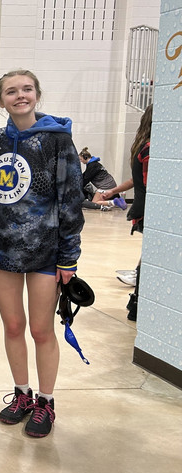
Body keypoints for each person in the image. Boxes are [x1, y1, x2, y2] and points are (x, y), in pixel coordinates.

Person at [0, 69, 84, 438]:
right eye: (11, 91)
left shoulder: (57, 141)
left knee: (42, 330)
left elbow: (71, 199)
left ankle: (46, 401)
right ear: (1, 100)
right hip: (1, 252)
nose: (20, 96)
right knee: (13, 326)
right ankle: (22, 394)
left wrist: (69, 257)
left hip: (46, 253)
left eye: (27, 89)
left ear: (37, 95)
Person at [102, 104, 152, 321]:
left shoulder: (142, 145)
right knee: (151, 257)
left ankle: (136, 302)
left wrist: (113, 191)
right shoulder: (150, 148)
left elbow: (135, 179)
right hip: (149, 209)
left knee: (148, 255)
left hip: (142, 208)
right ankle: (137, 304)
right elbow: (150, 183)